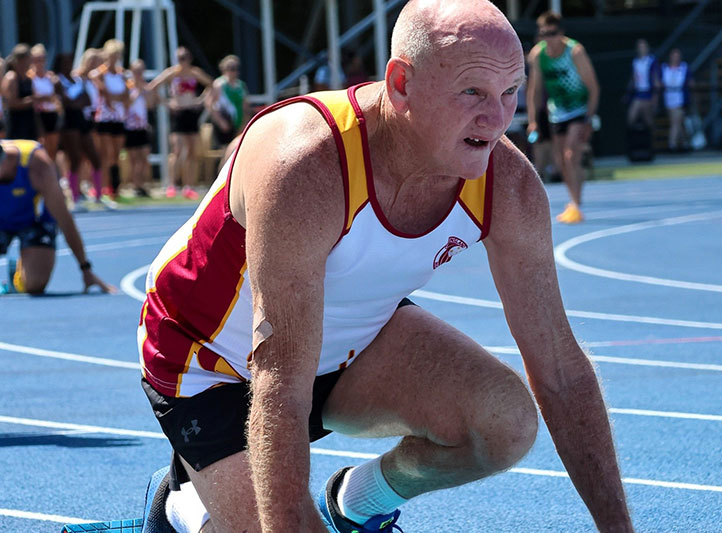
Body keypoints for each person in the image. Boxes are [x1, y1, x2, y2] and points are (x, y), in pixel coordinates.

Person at [138, 1, 633, 532]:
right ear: (401, 84)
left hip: (349, 342)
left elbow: (560, 370)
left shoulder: (506, 184)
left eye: (510, 92)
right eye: (472, 92)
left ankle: (357, 501)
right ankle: (185, 504)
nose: (496, 120)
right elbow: (280, 378)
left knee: (504, 422)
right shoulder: (307, 165)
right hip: (214, 365)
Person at [0, 139, 115, 294]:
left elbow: (65, 220)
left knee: (35, 285)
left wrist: (86, 269)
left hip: (34, 221)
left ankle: (17, 274)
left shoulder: (38, 165)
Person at [526, 10, 599, 224]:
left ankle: (577, 204)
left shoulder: (575, 52)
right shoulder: (538, 55)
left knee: (570, 155)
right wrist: (533, 121)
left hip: (579, 110)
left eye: (553, 32)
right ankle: (573, 201)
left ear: (561, 32)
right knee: (561, 161)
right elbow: (535, 90)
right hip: (557, 112)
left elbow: (593, 88)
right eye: (544, 33)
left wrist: (589, 118)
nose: (549, 37)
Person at [147, 46, 213, 200]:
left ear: (189, 59)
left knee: (191, 150)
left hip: (191, 111)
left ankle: (189, 185)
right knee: (177, 149)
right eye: (179, 59)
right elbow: (152, 87)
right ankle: (172, 184)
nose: (182, 62)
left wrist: (201, 100)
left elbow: (211, 85)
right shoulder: (172, 73)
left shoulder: (194, 72)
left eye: (185, 58)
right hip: (178, 112)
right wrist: (167, 103)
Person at [54, 52, 103, 211]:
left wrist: (76, 102)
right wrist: (77, 102)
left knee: (94, 157)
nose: (68, 65)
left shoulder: (77, 80)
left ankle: (98, 197)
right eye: (65, 62)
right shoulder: (58, 81)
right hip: (68, 123)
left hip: (82, 121)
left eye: (70, 62)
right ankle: (74, 199)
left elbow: (87, 100)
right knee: (74, 158)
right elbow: (67, 103)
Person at [90, 39, 129, 204]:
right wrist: (114, 97)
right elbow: (102, 91)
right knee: (105, 153)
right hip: (105, 117)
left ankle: (115, 186)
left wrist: (116, 97)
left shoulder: (121, 74)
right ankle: (104, 186)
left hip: (118, 117)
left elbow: (126, 95)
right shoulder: (100, 73)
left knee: (116, 154)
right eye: (112, 55)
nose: (114, 59)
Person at [124, 59, 157, 197]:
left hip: (142, 127)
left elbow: (150, 105)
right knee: (133, 159)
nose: (138, 74)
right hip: (130, 127)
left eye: (141, 71)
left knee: (144, 157)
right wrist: (136, 91)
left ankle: (142, 184)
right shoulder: (128, 87)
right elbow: (126, 104)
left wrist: (146, 91)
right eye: (136, 71)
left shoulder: (145, 88)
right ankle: (135, 185)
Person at [207, 54, 250, 147]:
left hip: (238, 122)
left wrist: (245, 122)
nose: (233, 71)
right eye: (230, 68)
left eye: (235, 68)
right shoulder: (219, 84)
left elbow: (245, 105)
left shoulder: (241, 85)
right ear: (224, 69)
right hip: (225, 122)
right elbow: (209, 104)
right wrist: (220, 121)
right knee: (225, 149)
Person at [29, 44, 61, 161]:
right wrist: (46, 98)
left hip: (51, 113)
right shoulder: (30, 78)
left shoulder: (50, 77)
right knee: (42, 146)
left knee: (53, 148)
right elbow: (33, 97)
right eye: (37, 60)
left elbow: (54, 97)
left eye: (42, 59)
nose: (40, 63)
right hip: (38, 116)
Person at [1, 44, 37, 141]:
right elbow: (11, 104)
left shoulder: (28, 78)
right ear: (21, 60)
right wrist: (33, 100)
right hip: (16, 127)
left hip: (29, 124)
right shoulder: (11, 77)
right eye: (27, 59)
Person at [661, 47, 694, 152]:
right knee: (678, 123)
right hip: (669, 100)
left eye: (677, 56)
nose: (675, 58)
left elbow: (691, 83)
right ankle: (685, 143)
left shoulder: (684, 68)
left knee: (675, 122)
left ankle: (672, 144)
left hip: (680, 100)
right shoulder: (664, 68)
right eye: (673, 56)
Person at [627, 39, 659, 129]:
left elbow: (656, 79)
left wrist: (655, 96)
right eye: (640, 47)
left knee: (648, 119)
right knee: (631, 117)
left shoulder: (651, 61)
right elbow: (633, 78)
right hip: (638, 93)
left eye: (643, 46)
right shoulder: (635, 62)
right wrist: (628, 93)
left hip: (648, 93)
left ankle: (652, 136)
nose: (642, 49)